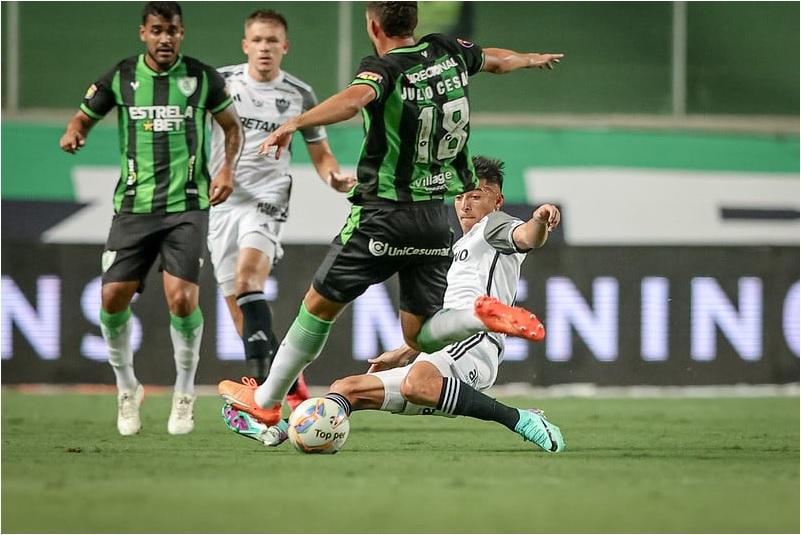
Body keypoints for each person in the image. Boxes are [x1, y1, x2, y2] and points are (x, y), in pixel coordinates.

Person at [219, 1, 563, 427]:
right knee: (417, 334)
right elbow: (493, 59)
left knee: (317, 307)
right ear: (415, 23)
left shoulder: (384, 68)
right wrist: (528, 60)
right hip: (436, 218)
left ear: (373, 25)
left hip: (383, 215)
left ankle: (267, 400)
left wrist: (296, 122)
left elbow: (353, 100)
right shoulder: (447, 50)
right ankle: (478, 316)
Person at [222, 156, 565, 453]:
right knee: (346, 389)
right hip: (442, 349)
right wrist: (405, 349)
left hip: (474, 345)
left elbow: (525, 237)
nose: (465, 204)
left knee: (418, 383)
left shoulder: (494, 227)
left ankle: (519, 418)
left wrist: (539, 220)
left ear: (498, 201)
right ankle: (281, 429)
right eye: (460, 196)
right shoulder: (457, 243)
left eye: (476, 196)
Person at [59, 1, 242, 436]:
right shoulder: (122, 77)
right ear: (143, 32)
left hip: (188, 206)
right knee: (111, 300)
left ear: (182, 34)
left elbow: (232, 127)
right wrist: (74, 134)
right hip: (134, 209)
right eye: (157, 30)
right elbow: (83, 117)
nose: (165, 38)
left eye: (173, 31)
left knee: (181, 299)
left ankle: (184, 391)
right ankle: (127, 388)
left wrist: (227, 169)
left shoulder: (202, 78)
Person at [208, 9, 355, 410]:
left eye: (272, 41)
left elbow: (321, 154)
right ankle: (290, 385)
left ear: (284, 47)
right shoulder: (219, 83)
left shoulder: (299, 95)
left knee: (247, 281)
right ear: (245, 45)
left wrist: (335, 178)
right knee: (237, 309)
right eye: (257, 40)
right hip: (221, 202)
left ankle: (262, 400)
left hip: (267, 198)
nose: (264, 48)